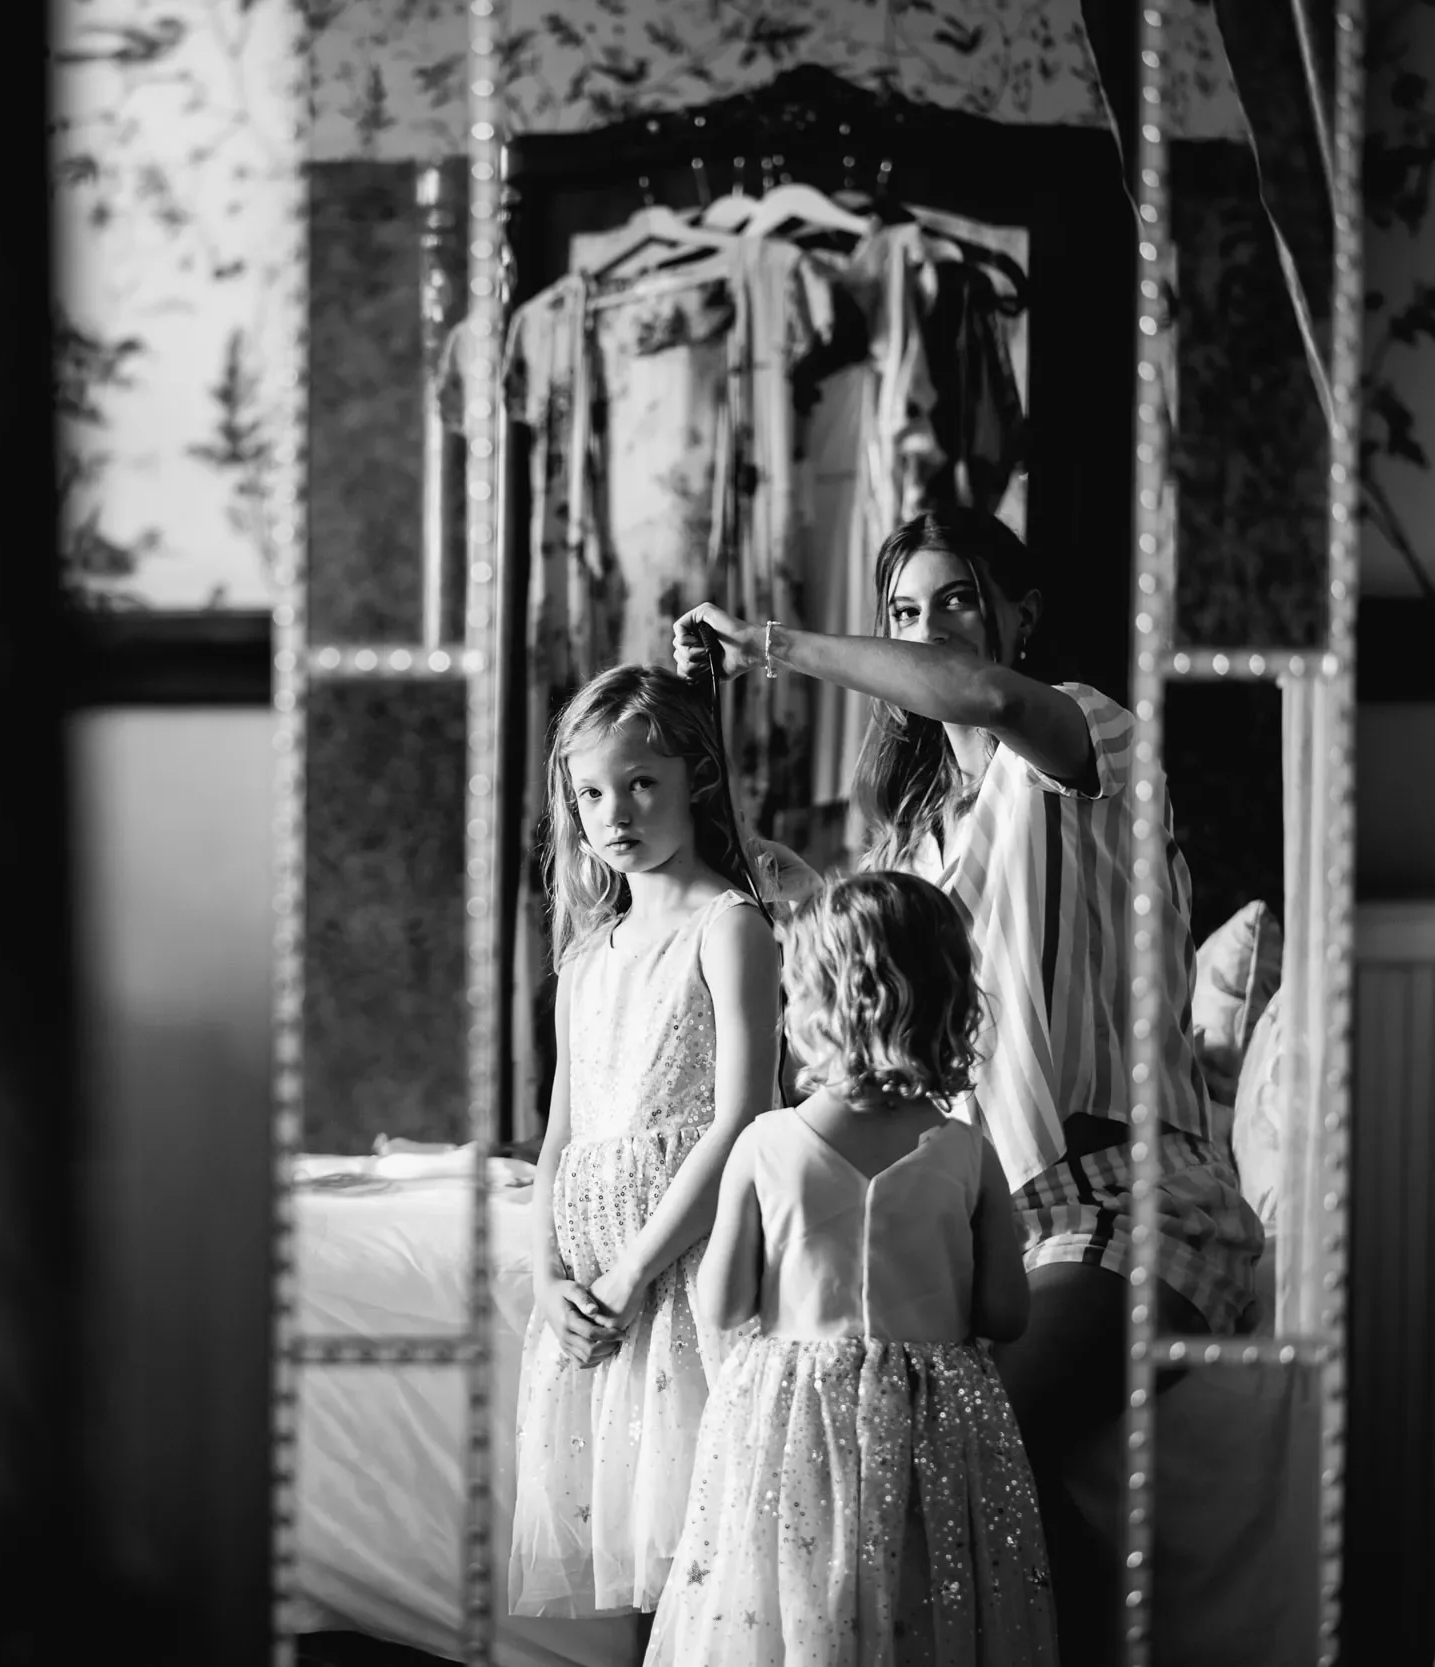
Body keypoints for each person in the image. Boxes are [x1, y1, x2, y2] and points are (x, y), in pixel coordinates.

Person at [671, 505, 1264, 1662]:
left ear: (1019, 614)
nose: (931, 629)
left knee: (971, 1449)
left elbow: (986, 698)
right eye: (905, 611)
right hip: (973, 1212)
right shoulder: (906, 847)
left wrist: (773, 646)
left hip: (1122, 1199)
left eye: (956, 599)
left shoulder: (1085, 740)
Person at [646, 872, 1058, 1665]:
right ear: (947, 1004)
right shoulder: (969, 1154)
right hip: (934, 1426)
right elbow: (1007, 1314)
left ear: (807, 1005)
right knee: (923, 1600)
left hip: (793, 1421)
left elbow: (727, 1301)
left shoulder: (764, 1144)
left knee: (793, 1596)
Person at [509, 663, 782, 1627]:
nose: (614, 812)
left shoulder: (729, 927)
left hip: (684, 1280)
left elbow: (745, 1117)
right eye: (589, 793)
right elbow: (561, 1143)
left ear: (695, 779)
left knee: (707, 1566)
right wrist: (549, 1278)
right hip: (594, 1293)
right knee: (633, 1548)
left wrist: (629, 1277)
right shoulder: (586, 961)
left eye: (640, 782)